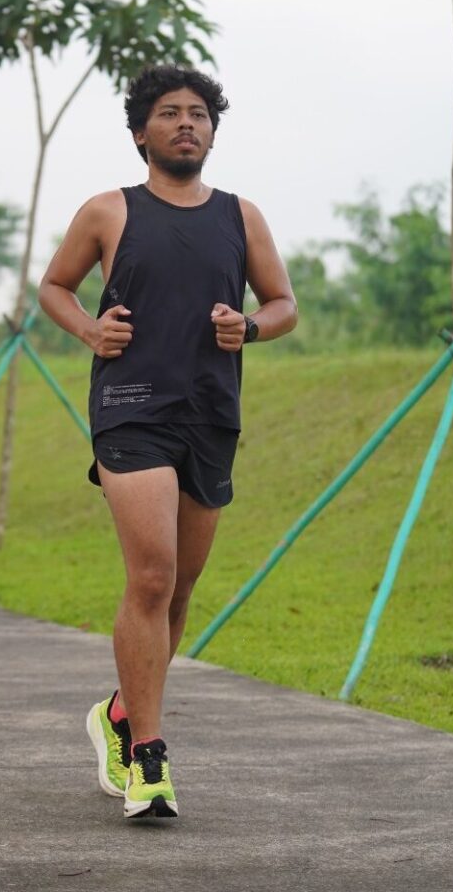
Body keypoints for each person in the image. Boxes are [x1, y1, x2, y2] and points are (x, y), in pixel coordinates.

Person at [39, 65, 298, 820]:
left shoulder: (241, 216)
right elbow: (54, 287)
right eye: (169, 113)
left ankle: (120, 713)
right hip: (132, 408)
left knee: (179, 588)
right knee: (151, 577)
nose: (187, 123)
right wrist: (90, 329)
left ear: (212, 132)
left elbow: (283, 304)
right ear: (139, 134)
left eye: (199, 114)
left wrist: (250, 327)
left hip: (210, 412)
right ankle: (149, 759)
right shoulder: (108, 211)